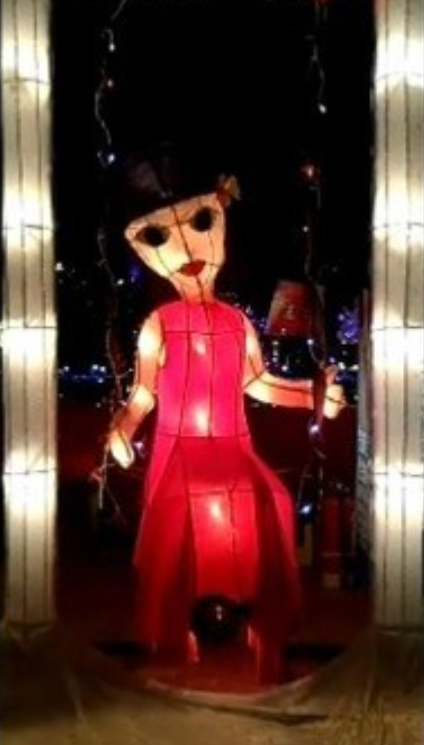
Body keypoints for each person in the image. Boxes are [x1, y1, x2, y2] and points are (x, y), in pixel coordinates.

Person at [107, 143, 345, 682]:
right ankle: (177, 632)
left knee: (272, 500)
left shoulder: (238, 323)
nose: (186, 246)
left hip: (233, 450)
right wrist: (123, 429)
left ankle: (263, 624)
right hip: (179, 452)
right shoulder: (159, 324)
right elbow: (143, 393)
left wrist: (313, 395)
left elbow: (258, 382)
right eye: (160, 236)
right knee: (181, 520)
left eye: (200, 222)